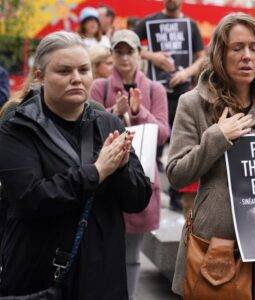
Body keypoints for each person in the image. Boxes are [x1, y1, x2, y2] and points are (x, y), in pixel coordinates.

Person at [0, 31, 151, 299]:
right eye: (64, 70)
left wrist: (123, 168)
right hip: (41, 275)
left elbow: (138, 200)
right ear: (39, 77)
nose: (77, 78)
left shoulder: (108, 123)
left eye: (84, 69)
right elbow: (30, 198)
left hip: (103, 274)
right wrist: (97, 172)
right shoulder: (17, 129)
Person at [167, 13, 255, 298]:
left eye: (253, 47)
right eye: (237, 48)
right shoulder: (193, 104)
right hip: (216, 250)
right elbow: (176, 174)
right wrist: (216, 137)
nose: (247, 56)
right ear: (219, 54)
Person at [89, 29, 169, 300]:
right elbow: (85, 128)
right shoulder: (98, 87)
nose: (124, 58)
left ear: (139, 55)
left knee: (132, 254)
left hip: (139, 180)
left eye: (129, 51)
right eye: (118, 52)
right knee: (101, 249)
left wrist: (137, 111)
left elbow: (163, 133)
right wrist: (113, 113)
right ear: (111, 55)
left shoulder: (154, 89)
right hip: (104, 181)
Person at [134, 0, 205, 211]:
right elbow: (128, 44)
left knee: (181, 145)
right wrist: (151, 55)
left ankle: (176, 195)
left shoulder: (191, 25)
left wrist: (186, 73)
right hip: (155, 92)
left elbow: (201, 58)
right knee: (151, 144)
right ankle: (144, 192)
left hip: (182, 92)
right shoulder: (150, 21)